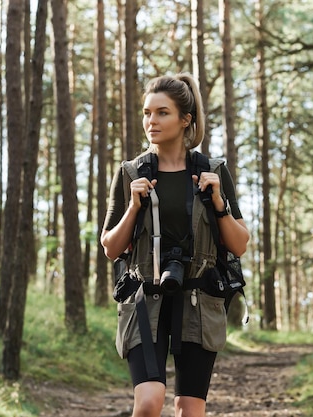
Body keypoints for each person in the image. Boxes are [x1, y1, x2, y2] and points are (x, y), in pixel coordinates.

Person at [100, 72, 249, 417]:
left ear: (186, 119)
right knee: (149, 401)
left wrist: (219, 204)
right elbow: (110, 247)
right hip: (144, 299)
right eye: (147, 113)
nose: (151, 121)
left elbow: (239, 245)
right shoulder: (130, 172)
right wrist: (134, 207)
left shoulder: (213, 171)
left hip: (199, 299)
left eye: (162, 112)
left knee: (189, 409)